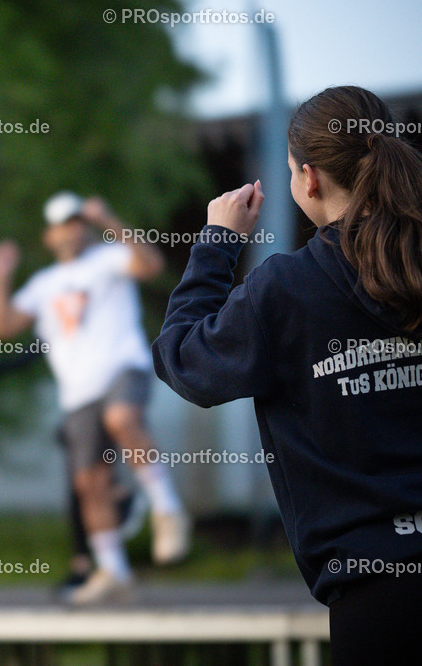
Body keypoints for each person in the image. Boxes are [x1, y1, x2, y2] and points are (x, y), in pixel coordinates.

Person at [152, 86, 422, 665]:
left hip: (376, 591)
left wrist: (217, 243)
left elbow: (183, 361)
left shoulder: (286, 288)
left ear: (311, 179)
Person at [0, 193, 190, 604]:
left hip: (121, 368)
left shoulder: (109, 258)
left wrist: (109, 218)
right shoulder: (43, 286)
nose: (72, 228)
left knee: (121, 418)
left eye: (78, 221)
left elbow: (151, 265)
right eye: (64, 223)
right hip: (77, 392)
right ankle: (112, 570)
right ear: (49, 235)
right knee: (88, 482)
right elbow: (2, 326)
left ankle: (167, 508)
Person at [0, 345, 148, 597]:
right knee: (78, 480)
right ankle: (89, 565)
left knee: (91, 472)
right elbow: (38, 349)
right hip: (83, 404)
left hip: (110, 393)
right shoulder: (58, 319)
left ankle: (122, 499)